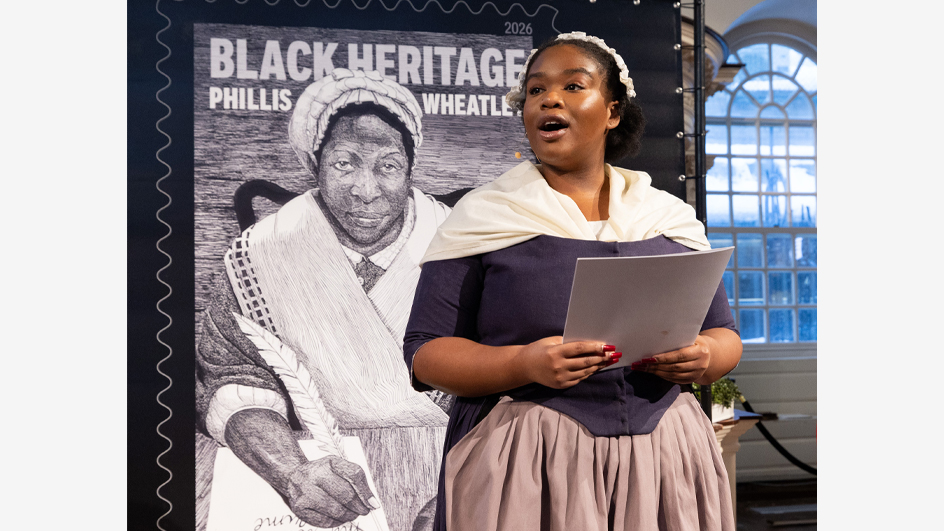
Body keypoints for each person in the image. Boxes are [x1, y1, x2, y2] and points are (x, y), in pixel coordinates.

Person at [403, 32, 743, 531]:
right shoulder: (485, 215)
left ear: (612, 111)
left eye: (572, 86)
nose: (549, 99)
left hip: (665, 455)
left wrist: (705, 356)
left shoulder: (666, 217)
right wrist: (522, 362)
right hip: (528, 458)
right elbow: (426, 351)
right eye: (536, 90)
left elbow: (724, 335)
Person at [197, 69, 453, 531]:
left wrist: (466, 485)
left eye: (388, 166)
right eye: (344, 164)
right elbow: (234, 377)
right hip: (319, 463)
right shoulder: (260, 255)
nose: (366, 190)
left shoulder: (465, 244)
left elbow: (508, 381)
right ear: (314, 165)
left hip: (449, 462)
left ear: (410, 170)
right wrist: (292, 472)